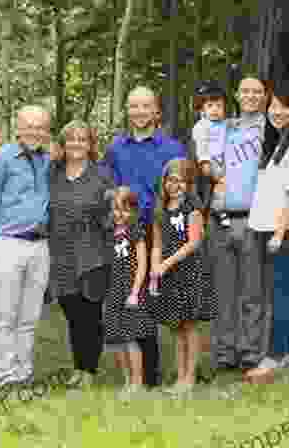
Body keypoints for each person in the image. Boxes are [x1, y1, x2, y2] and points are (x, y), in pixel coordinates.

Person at [102, 85, 188, 388]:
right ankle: (145, 375)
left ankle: (181, 372)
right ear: (127, 110)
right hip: (130, 235)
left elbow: (181, 190)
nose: (140, 112)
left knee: (165, 299)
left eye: (145, 106)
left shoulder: (172, 148)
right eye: (134, 106)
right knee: (135, 299)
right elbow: (108, 189)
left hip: (163, 232)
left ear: (157, 111)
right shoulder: (115, 149)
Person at [0, 104, 51, 387]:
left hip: (40, 246)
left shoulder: (48, 159)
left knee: (29, 316)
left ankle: (24, 373)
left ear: (46, 132)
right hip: (7, 243)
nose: (34, 131)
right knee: (5, 315)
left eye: (40, 126)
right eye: (29, 125)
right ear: (17, 128)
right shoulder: (0, 159)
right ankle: (5, 375)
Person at [206, 75, 272, 374]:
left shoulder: (271, 130)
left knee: (251, 292)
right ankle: (224, 354)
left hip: (253, 219)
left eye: (256, 92)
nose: (250, 96)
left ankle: (250, 352)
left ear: (265, 96)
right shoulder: (224, 127)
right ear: (236, 94)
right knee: (223, 292)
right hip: (220, 219)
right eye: (245, 90)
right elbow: (206, 160)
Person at [245, 84, 289, 379]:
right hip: (267, 228)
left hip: (285, 231)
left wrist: (279, 233)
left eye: (284, 107)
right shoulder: (273, 146)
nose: (278, 112)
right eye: (273, 107)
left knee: (280, 294)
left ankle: (273, 357)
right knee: (287, 291)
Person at [48, 120, 115, 389]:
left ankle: (88, 371)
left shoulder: (102, 175)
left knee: (90, 315)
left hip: (93, 254)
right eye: (71, 139)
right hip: (60, 254)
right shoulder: (52, 173)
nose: (77, 144)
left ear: (90, 145)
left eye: (82, 139)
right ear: (63, 145)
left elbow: (112, 215)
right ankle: (78, 367)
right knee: (72, 314)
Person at [148, 159, 217, 397]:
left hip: (189, 271)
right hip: (169, 275)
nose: (173, 185)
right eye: (169, 180)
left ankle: (190, 377)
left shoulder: (192, 208)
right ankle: (179, 376)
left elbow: (194, 242)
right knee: (176, 327)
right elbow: (157, 244)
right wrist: (155, 265)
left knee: (189, 325)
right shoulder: (159, 211)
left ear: (188, 183)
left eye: (179, 180)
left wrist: (166, 263)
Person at [103, 186, 156, 401]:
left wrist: (135, 292)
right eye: (115, 209)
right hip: (113, 289)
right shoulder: (110, 232)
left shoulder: (136, 231)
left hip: (131, 290)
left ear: (133, 211)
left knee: (131, 338)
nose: (119, 214)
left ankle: (137, 383)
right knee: (117, 338)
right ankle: (126, 381)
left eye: (124, 210)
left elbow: (142, 264)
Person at [192, 80, 230, 227]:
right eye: (210, 106)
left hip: (225, 162)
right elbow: (201, 145)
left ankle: (221, 208)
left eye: (219, 106)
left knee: (225, 185)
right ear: (202, 110)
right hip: (210, 163)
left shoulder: (225, 124)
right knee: (216, 185)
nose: (215, 110)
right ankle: (217, 211)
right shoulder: (202, 126)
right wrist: (204, 161)